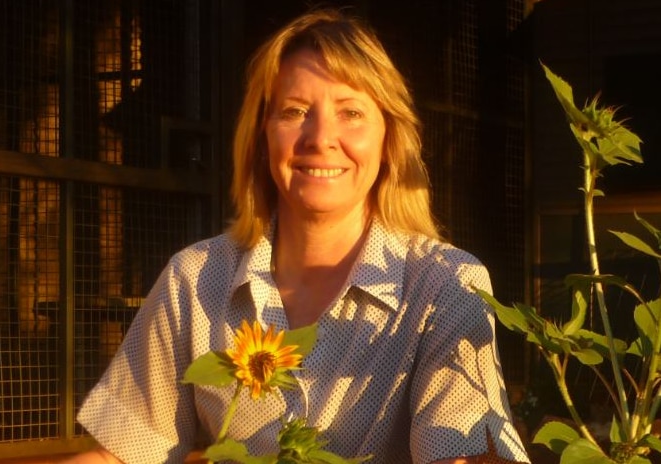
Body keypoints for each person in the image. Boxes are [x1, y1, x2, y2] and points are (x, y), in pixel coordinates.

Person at [64, 8, 530, 464]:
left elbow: (465, 455)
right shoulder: (194, 280)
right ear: (261, 136)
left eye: (351, 112)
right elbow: (122, 455)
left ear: (388, 141)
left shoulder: (445, 286)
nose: (321, 137)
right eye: (295, 111)